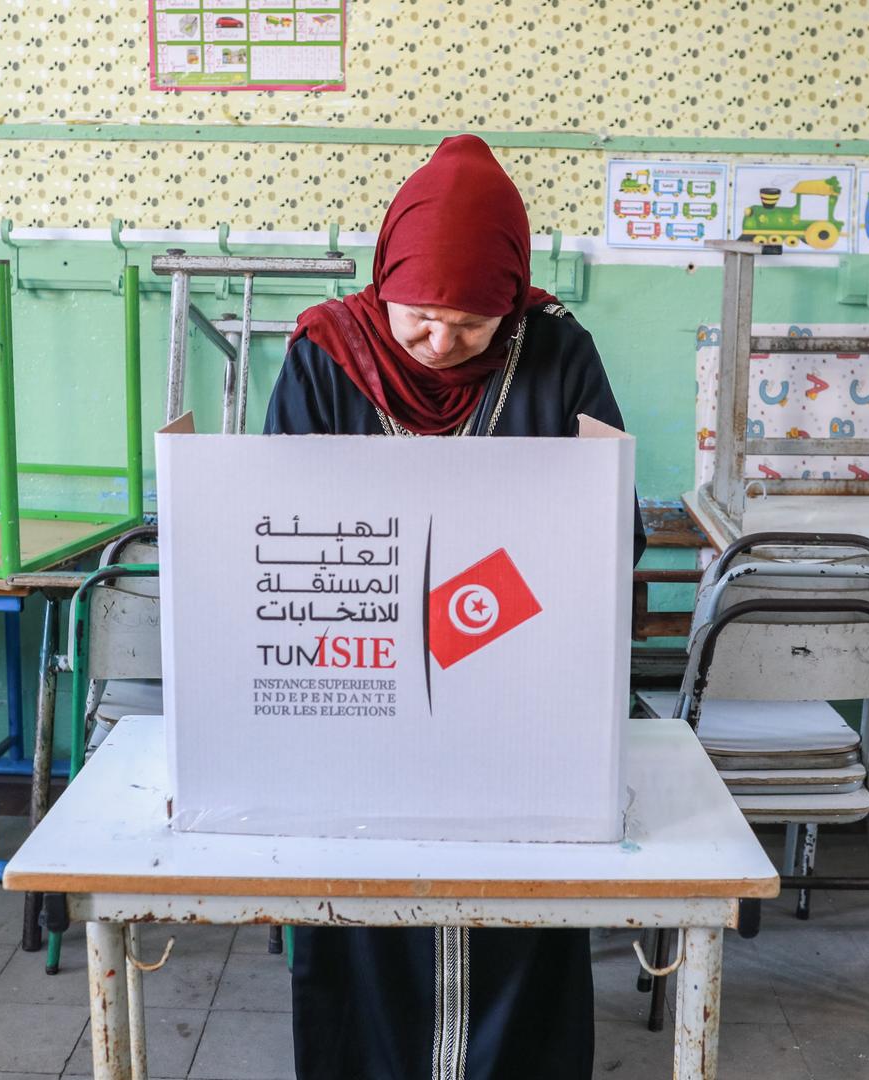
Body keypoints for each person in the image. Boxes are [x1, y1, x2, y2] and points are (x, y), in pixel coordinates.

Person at [265, 133, 646, 1080]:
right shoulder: (327, 354)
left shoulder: (556, 352)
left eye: (472, 326)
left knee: (518, 907)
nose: (441, 344)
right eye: (422, 318)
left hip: (515, 696)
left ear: (511, 304)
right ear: (384, 277)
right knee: (363, 909)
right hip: (358, 700)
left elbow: (611, 525)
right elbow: (273, 529)